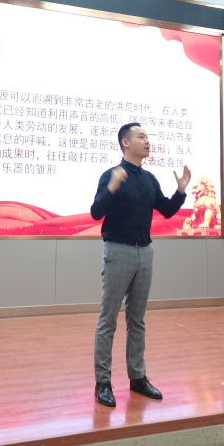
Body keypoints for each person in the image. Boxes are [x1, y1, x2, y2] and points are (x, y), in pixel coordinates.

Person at [90, 122, 191, 407]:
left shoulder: (149, 179)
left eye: (147, 136)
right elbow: (96, 212)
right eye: (141, 136)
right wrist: (112, 188)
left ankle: (137, 377)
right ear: (125, 143)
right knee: (108, 320)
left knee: (137, 320)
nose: (147, 141)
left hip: (145, 253)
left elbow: (167, 210)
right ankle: (103, 382)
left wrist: (180, 191)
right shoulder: (111, 175)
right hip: (118, 251)